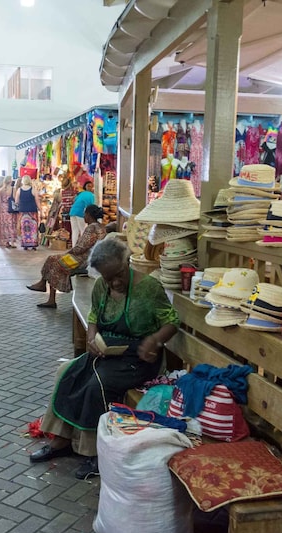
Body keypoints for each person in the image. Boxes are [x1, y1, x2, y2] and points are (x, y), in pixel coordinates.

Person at [30, 238, 180, 479]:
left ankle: (95, 454)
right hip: (108, 352)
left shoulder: (149, 287)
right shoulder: (102, 286)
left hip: (140, 356)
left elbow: (172, 321)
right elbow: (94, 316)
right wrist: (91, 337)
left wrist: (154, 341)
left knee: (96, 383)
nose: (115, 282)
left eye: (119, 275)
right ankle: (61, 440)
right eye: (108, 278)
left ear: (127, 263)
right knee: (67, 373)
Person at [27, 205, 107, 308]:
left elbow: (80, 248)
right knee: (53, 259)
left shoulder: (91, 228)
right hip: (88, 258)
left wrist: (68, 253)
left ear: (88, 215)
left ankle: (47, 292)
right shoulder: (100, 227)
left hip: (83, 261)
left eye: (85, 214)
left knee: (54, 261)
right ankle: (44, 287)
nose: (84, 216)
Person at [16, 175, 41, 250]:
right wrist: (40, 209)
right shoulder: (33, 190)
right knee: (33, 228)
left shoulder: (19, 190)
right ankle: (33, 244)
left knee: (24, 228)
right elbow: (37, 201)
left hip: (23, 212)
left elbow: (16, 201)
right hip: (32, 212)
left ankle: (25, 244)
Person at [69, 180, 96, 246]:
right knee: (83, 230)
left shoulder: (81, 193)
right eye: (88, 186)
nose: (90, 187)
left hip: (73, 212)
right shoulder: (91, 195)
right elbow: (91, 206)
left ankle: (74, 247)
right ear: (85, 187)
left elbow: (74, 201)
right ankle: (82, 247)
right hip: (80, 213)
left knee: (75, 231)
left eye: (91, 186)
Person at [0, 176, 18, 248]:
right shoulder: (13, 189)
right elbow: (15, 200)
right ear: (10, 181)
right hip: (10, 208)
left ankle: (7, 242)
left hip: (3, 209)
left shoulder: (0, 190)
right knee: (12, 224)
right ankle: (13, 242)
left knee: (5, 226)